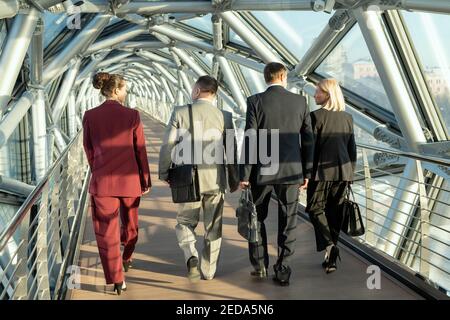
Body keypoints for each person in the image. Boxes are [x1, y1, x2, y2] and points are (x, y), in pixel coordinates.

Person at [239, 62, 314, 286]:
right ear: (283, 76)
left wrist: (245, 173)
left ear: (266, 78)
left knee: (257, 218)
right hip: (292, 172)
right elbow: (308, 139)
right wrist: (307, 172)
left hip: (262, 171)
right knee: (288, 219)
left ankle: (260, 264)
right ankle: (282, 267)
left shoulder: (255, 101)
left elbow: (250, 138)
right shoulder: (300, 101)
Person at [159, 75, 239, 281]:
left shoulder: (180, 112)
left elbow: (168, 146)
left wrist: (165, 172)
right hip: (215, 180)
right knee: (214, 226)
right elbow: (231, 151)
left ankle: (190, 255)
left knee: (185, 221)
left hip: (187, 179)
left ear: (196, 92)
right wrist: (233, 179)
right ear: (214, 94)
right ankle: (209, 271)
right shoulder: (225, 116)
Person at [82, 72, 151, 295]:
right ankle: (127, 256)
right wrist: (145, 179)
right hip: (130, 181)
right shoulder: (132, 115)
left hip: (103, 182)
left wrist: (98, 170)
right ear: (115, 90)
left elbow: (89, 149)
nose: (126, 93)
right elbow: (140, 150)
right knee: (130, 225)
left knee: (106, 232)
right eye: (125, 89)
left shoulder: (90, 116)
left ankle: (116, 278)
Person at [306, 78, 357, 274]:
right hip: (343, 172)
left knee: (314, 208)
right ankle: (330, 259)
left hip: (320, 172)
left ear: (327, 95)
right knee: (334, 213)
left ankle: (329, 246)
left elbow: (310, 149)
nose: (314, 95)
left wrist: (306, 174)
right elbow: (352, 149)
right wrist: (350, 173)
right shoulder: (347, 118)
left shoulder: (315, 117)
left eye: (318, 92)